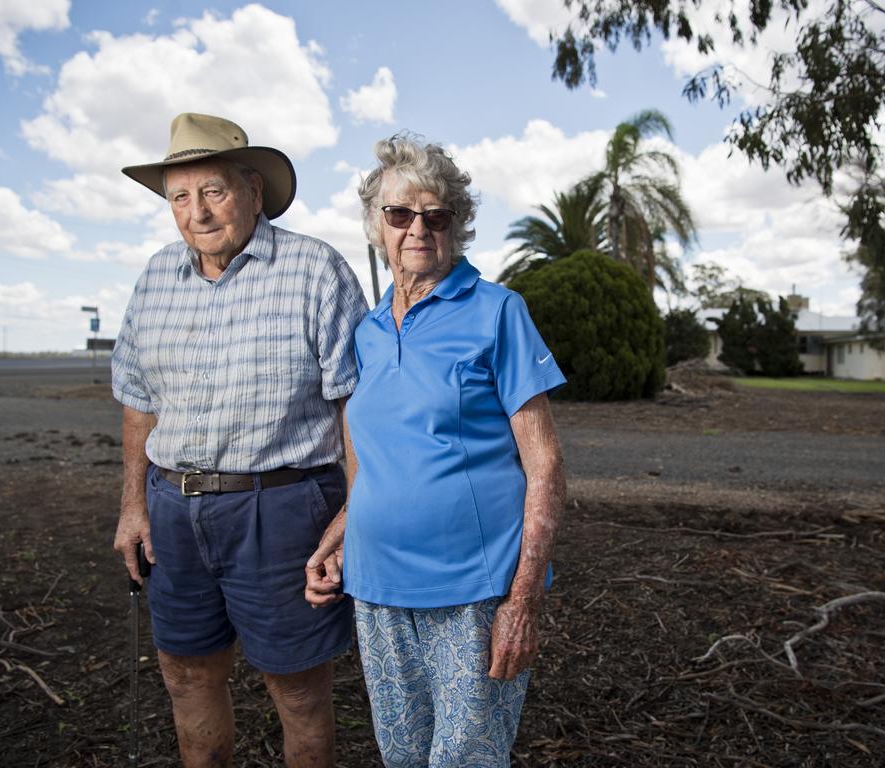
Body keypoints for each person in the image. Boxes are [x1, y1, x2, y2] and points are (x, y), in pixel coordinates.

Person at [112, 112, 366, 768]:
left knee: (299, 691)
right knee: (186, 677)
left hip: (282, 510)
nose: (196, 212)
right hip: (172, 511)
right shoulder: (155, 278)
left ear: (254, 190)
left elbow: (355, 403)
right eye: (179, 197)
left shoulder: (315, 270)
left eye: (213, 191)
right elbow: (140, 403)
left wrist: (354, 512)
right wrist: (133, 506)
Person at [305, 134, 567, 767]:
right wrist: (338, 534)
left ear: (457, 226)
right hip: (377, 586)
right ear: (377, 226)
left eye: (436, 215)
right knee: (403, 755)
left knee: (465, 759)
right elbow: (372, 461)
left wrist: (524, 597)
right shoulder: (366, 331)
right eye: (400, 215)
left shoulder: (497, 311)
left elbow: (546, 464)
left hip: (475, 590)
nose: (417, 228)